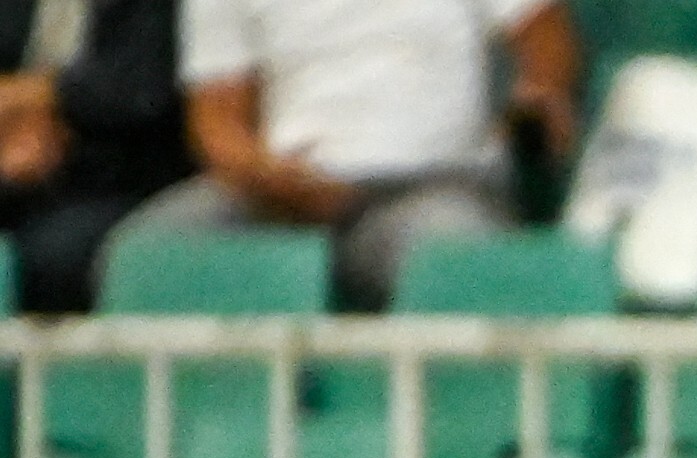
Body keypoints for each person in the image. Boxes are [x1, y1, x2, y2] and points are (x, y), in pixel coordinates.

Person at [123, 0, 580, 310]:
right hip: (281, 197)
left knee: (462, 256)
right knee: (148, 255)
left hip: (432, 186)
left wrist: (538, 98)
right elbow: (217, 121)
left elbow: (545, 39)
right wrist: (262, 174)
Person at [0, 0, 190, 313]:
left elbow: (138, 90)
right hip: (18, 158)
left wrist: (41, 98)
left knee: (53, 256)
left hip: (122, 174)